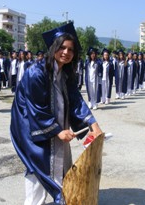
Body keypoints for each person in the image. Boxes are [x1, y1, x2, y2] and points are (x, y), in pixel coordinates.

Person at [10, 22, 103, 205]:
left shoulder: (65, 73)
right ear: (53, 48)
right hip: (30, 128)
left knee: (60, 164)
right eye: (62, 47)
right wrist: (58, 130)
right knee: (38, 166)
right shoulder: (36, 73)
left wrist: (94, 125)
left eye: (70, 49)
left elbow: (76, 100)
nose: (66, 52)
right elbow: (36, 108)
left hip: (54, 125)